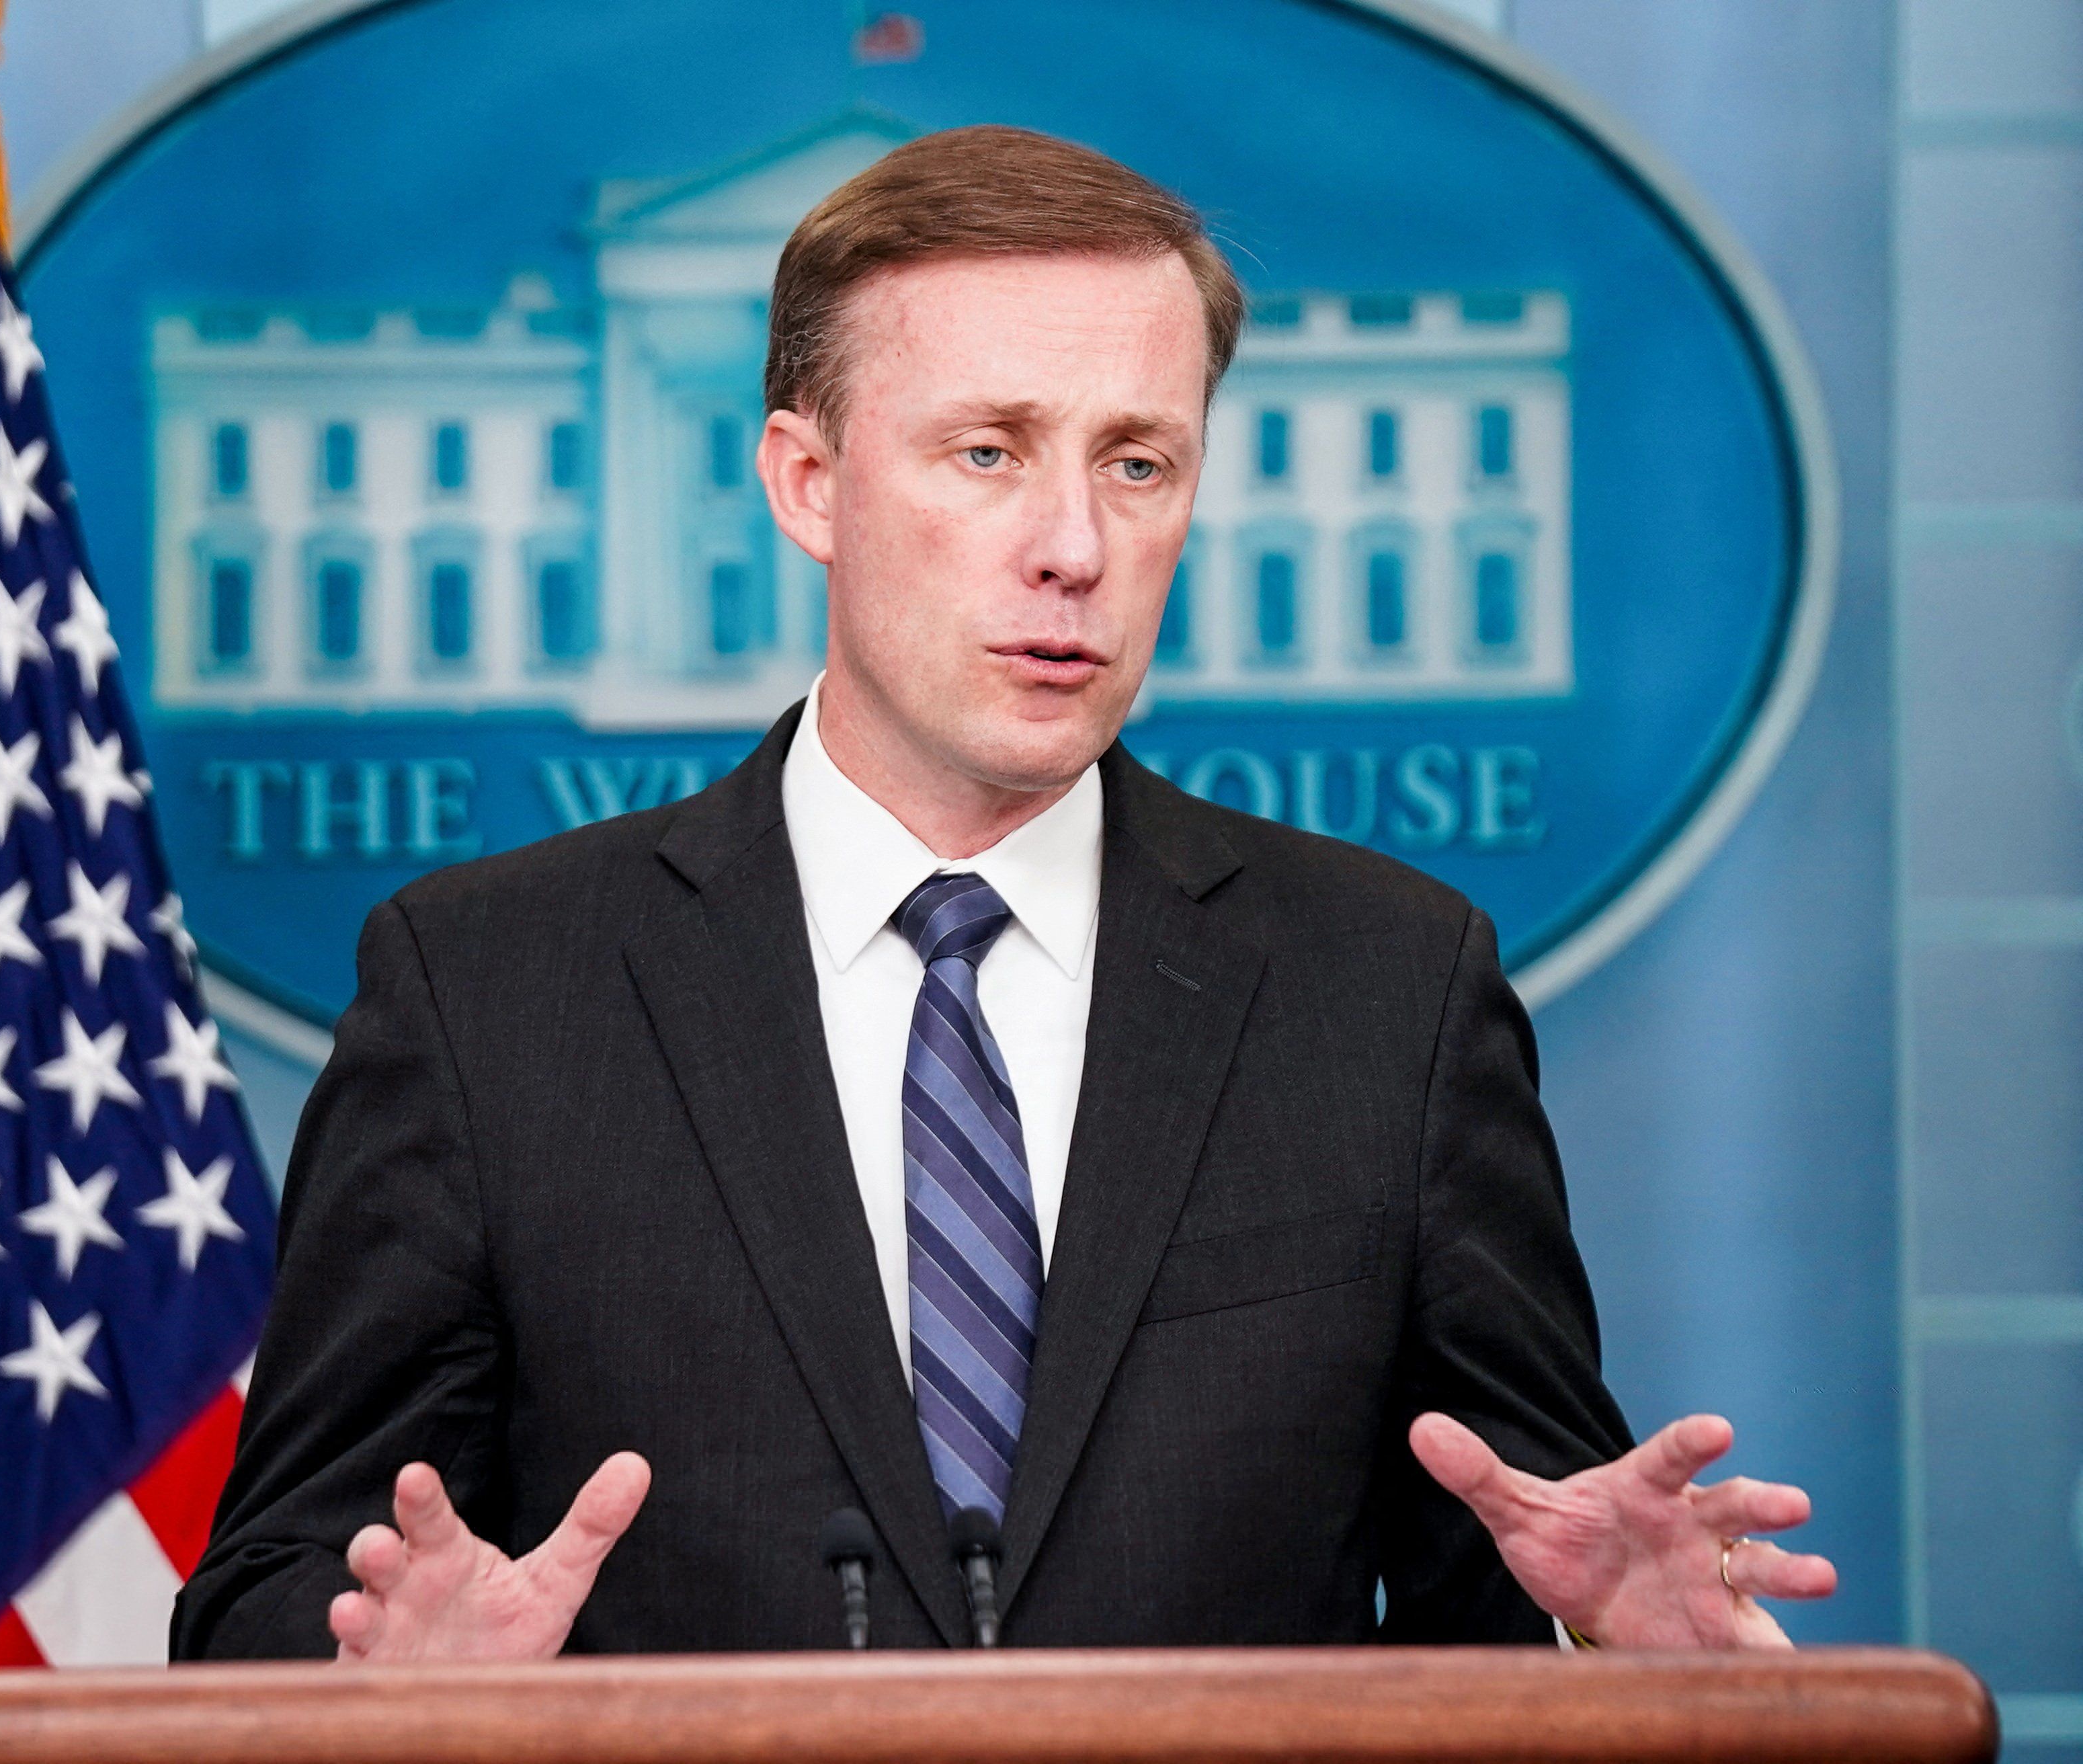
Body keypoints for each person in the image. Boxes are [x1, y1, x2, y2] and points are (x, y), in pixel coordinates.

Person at [169, 124, 1836, 1662]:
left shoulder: (1389, 992)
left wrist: (1617, 1652)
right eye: (987, 452)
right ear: (807, 484)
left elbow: (1511, 1573)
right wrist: (374, 1677)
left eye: (1137, 463)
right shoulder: (489, 993)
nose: (1073, 547)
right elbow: (264, 1587)